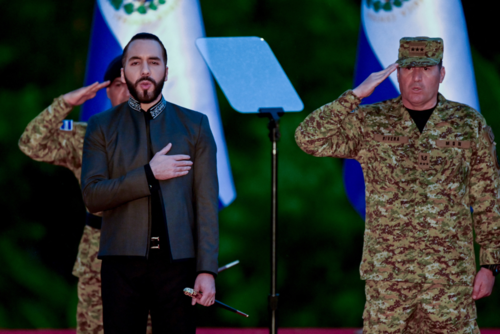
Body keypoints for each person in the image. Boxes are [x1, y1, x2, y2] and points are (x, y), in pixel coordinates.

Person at [295, 37, 500, 333]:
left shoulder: (468, 123)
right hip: (389, 280)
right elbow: (308, 139)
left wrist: (490, 264)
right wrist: (354, 96)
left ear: (441, 74)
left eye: (426, 69)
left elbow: (488, 197)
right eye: (408, 69)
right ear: (396, 73)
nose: (416, 77)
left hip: (449, 279)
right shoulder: (372, 121)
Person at [81, 32, 218, 334]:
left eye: (153, 62)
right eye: (136, 62)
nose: (145, 70)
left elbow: (206, 204)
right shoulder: (101, 127)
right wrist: (148, 174)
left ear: (166, 72)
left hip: (178, 266)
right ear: (123, 72)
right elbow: (92, 196)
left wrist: (206, 270)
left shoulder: (195, 125)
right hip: (120, 265)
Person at [18, 56, 145, 334]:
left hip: (148, 254)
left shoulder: (168, 136)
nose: (125, 92)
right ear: (106, 90)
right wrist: (64, 103)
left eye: (132, 85)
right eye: (117, 85)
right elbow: (31, 143)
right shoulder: (85, 137)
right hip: (98, 254)